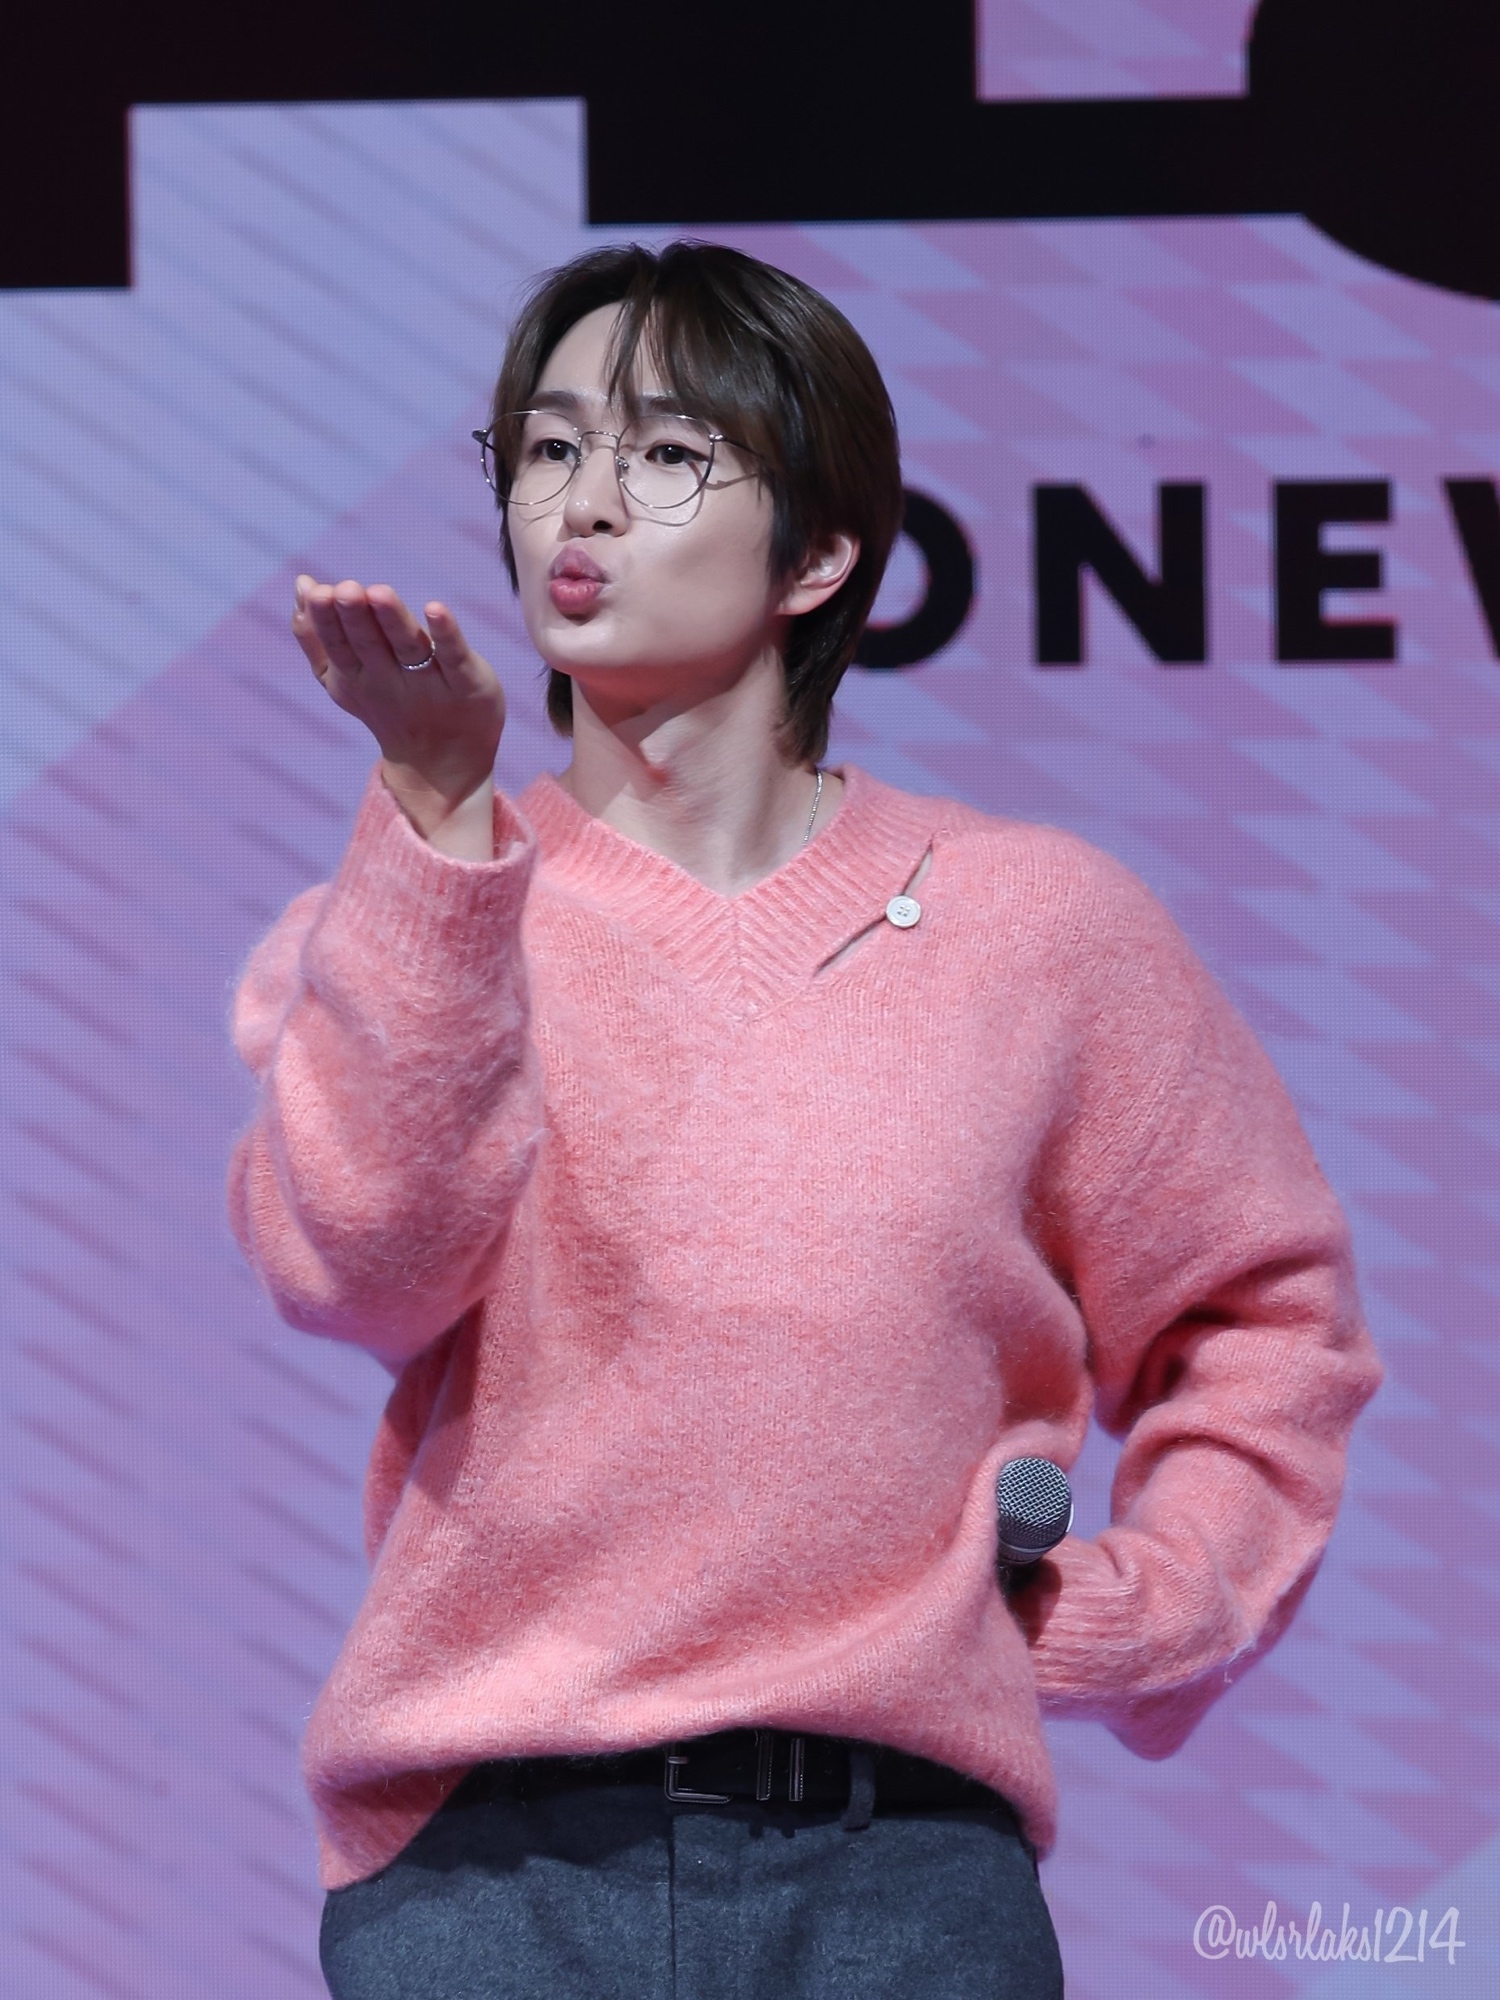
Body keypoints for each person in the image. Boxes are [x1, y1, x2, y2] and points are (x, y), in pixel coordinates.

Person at [228, 240, 1383, 1999]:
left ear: (820, 553)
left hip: (903, 1882)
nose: (582, 502)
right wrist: (439, 817)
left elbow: (1269, 1323)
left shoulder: (1038, 927)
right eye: (548, 449)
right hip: (495, 1880)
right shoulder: (417, 908)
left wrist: (1150, 1604)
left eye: (664, 454)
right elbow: (356, 1268)